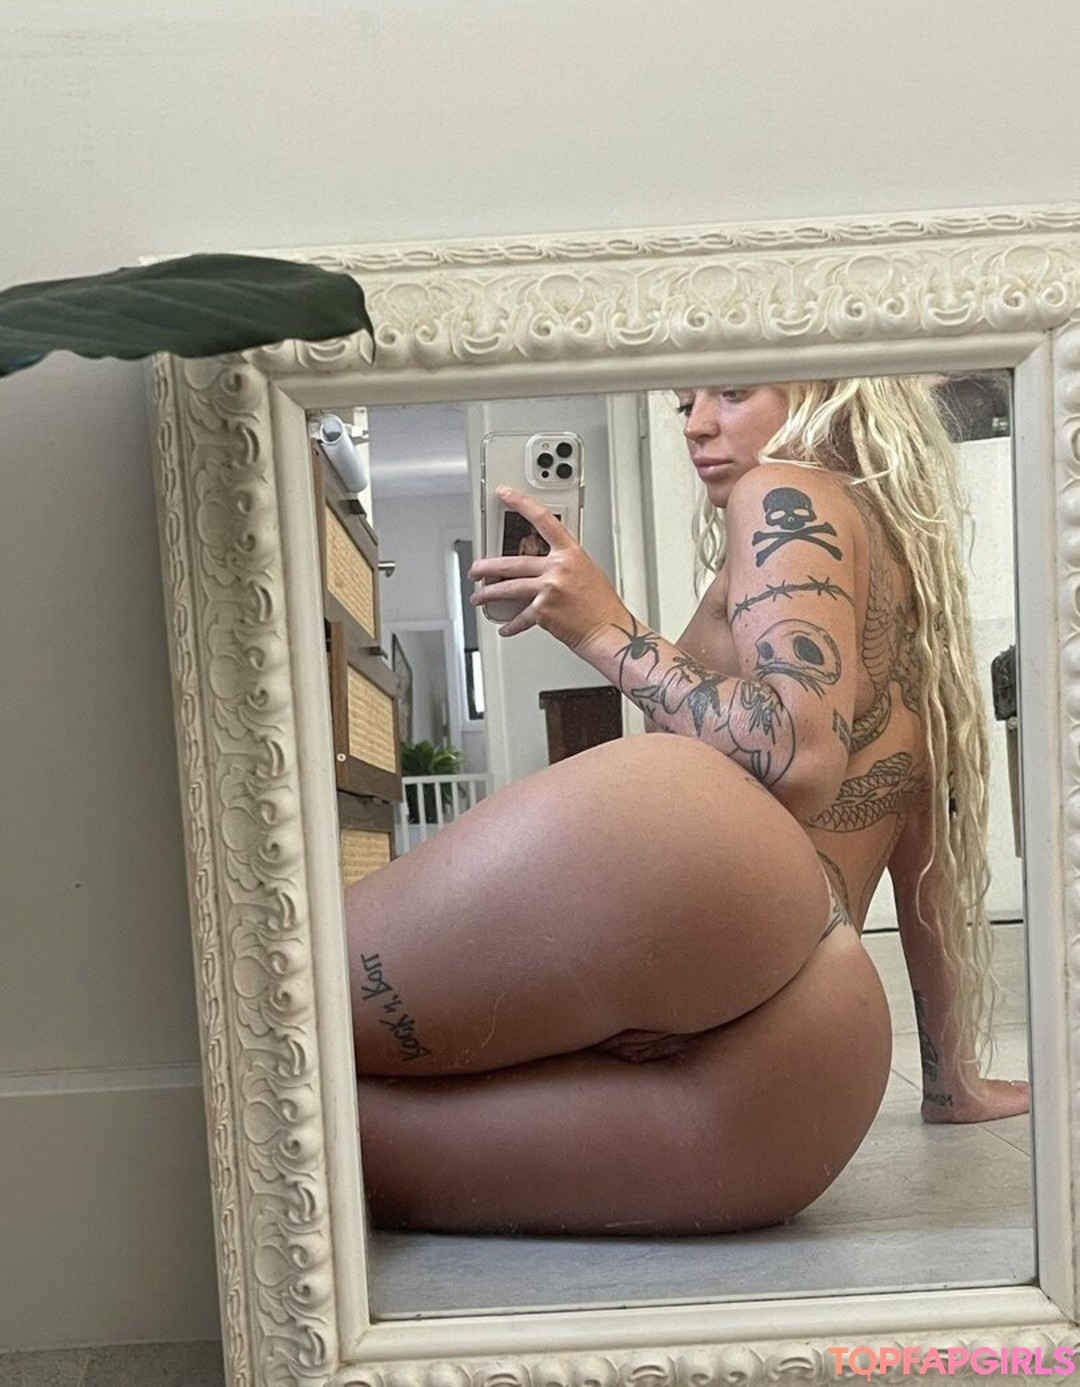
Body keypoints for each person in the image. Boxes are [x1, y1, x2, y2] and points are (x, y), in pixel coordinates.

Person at [345, 377, 1029, 1237]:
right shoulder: (902, 580)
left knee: (279, 1022)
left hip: (721, 891)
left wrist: (601, 626)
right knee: (345, 1134)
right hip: (820, 1053)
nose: (698, 425)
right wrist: (953, 1079)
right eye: (683, 404)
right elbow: (923, 858)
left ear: (830, 381)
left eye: (733, 391)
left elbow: (800, 753)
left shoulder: (783, 491)